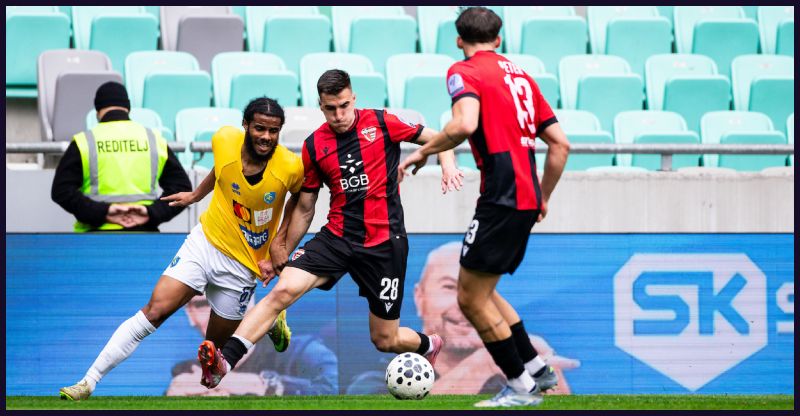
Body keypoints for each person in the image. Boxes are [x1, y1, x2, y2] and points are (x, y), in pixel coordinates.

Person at [196, 69, 465, 390]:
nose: (338, 115)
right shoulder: (314, 145)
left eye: (344, 106)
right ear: (321, 107)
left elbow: (440, 137)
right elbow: (305, 208)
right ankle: (224, 362)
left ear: (353, 99)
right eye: (330, 109)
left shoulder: (381, 123)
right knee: (282, 290)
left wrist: (447, 164)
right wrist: (280, 251)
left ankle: (427, 344)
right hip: (337, 238)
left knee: (386, 339)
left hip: (384, 245)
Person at [58, 97, 298, 400]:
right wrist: (197, 195)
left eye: (273, 131)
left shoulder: (290, 166)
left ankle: (269, 320)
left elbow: (302, 201)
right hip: (205, 243)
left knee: (212, 364)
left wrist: (280, 243)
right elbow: (222, 169)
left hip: (242, 266)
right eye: (260, 128)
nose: (266, 137)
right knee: (154, 311)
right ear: (246, 126)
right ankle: (88, 382)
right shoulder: (225, 139)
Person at [398, 7, 571, 408]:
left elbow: (464, 124)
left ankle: (521, 387)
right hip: (524, 198)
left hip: (500, 198)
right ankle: (536, 367)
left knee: (470, 299)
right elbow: (561, 145)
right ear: (498, 39)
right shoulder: (522, 78)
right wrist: (543, 195)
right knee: (484, 290)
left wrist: (423, 151)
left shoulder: (465, 71)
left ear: (459, 40)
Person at [414, 242, 579, 395]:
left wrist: (547, 381)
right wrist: (485, 363)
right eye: (449, 287)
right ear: (419, 298)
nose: (465, 302)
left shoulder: (517, 371)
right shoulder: (401, 358)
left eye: (477, 287)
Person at [51, 81, 192, 232]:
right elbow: (182, 190)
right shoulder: (154, 140)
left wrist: (103, 212)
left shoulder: (85, 141)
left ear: (97, 111)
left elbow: (62, 191)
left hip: (94, 236)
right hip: (144, 234)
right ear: (128, 108)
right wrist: (151, 212)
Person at [167, 294, 338, 396]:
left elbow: (334, 392)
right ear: (190, 314)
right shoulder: (186, 375)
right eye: (204, 304)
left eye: (231, 298)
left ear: (251, 302)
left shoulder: (304, 353)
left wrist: (259, 385)